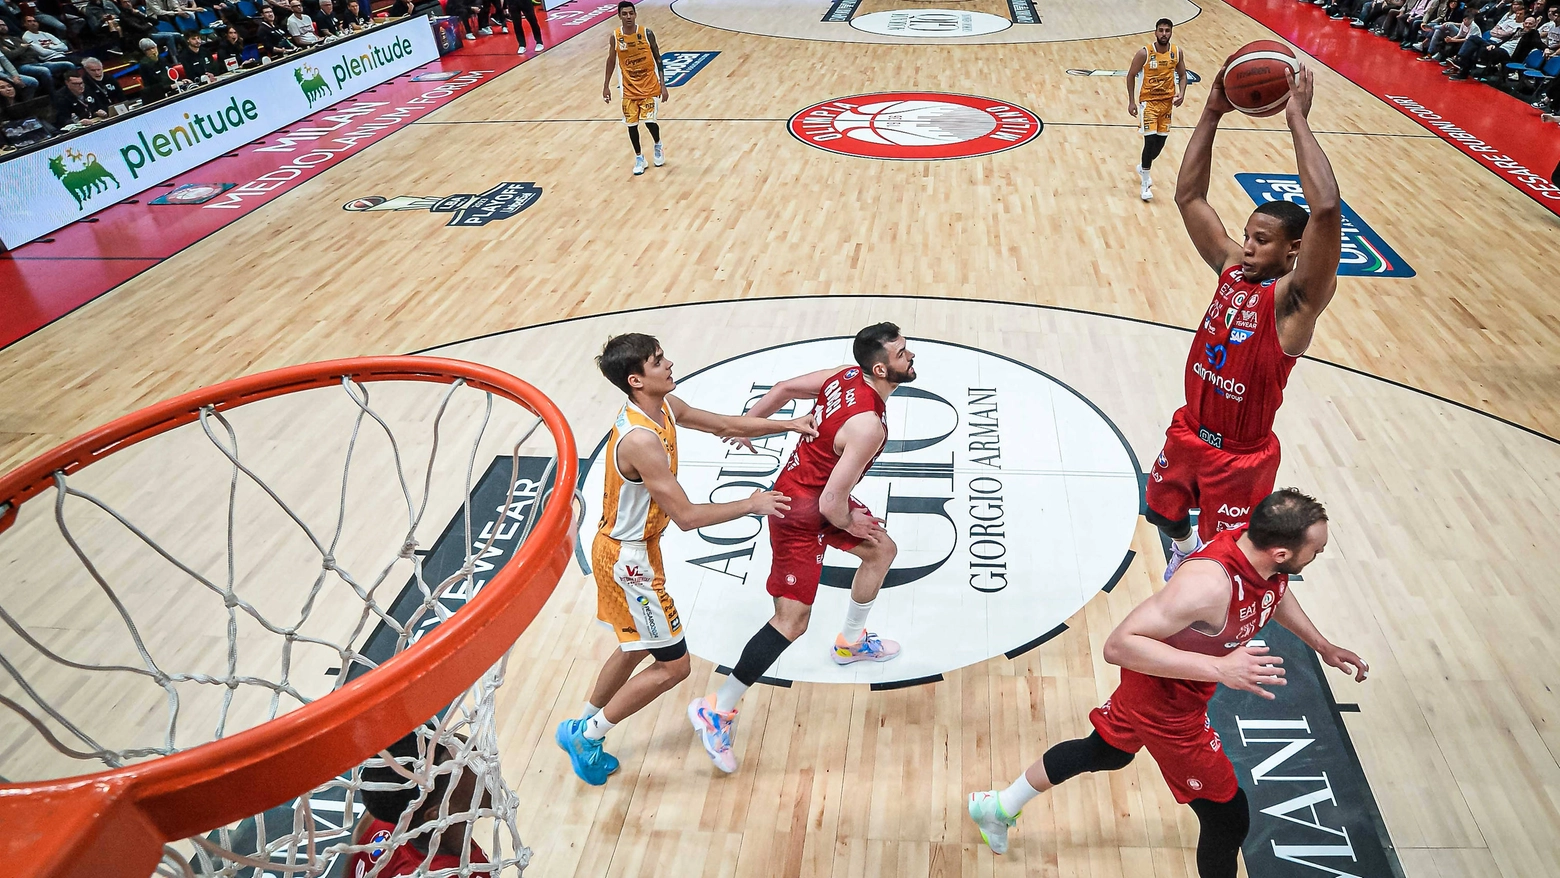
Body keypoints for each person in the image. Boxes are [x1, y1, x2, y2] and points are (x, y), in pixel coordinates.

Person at [966, 490, 1369, 873]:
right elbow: (1119, 646)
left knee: (1107, 752)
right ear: (1281, 552)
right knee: (1227, 817)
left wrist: (1322, 645)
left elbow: (1273, 593)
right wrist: (1220, 669)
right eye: (1316, 549)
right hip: (1167, 707)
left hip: (1167, 688)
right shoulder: (1206, 586)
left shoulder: (1261, 557)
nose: (1320, 553)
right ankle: (999, 805)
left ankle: (997, 806)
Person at [554, 333, 815, 786]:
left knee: (635, 644)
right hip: (629, 563)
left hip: (624, 548)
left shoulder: (666, 407)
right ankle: (589, 735)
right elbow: (689, 517)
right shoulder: (639, 440)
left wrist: (788, 426)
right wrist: (751, 504)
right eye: (659, 361)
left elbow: (724, 425)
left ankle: (580, 723)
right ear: (637, 380)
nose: (670, 363)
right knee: (674, 666)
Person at [687, 323, 913, 774]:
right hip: (799, 513)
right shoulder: (868, 425)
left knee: (880, 550)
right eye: (904, 353)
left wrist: (751, 421)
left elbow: (787, 387)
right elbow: (832, 503)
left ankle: (850, 642)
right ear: (881, 367)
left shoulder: (845, 376)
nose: (911, 357)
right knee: (792, 622)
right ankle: (718, 707)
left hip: (815, 495)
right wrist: (852, 520)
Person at [1145, 64, 1342, 577]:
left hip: (1240, 457)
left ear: (1293, 249)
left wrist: (1296, 117)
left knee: (1229, 559)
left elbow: (1325, 210)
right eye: (1248, 235)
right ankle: (1183, 549)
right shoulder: (1233, 271)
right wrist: (1211, 109)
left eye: (1261, 240)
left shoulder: (1294, 302)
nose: (1247, 247)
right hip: (1190, 430)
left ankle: (1227, 619)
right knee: (1161, 513)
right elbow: (1188, 197)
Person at [348, 729, 491, 876]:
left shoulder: (373, 824)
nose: (488, 762)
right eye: (474, 763)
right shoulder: (457, 873)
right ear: (440, 811)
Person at [601, 0, 667, 176]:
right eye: (625, 14)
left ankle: (658, 144)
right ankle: (639, 158)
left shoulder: (646, 33)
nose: (628, 16)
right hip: (628, 89)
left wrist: (663, 84)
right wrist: (606, 86)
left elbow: (658, 58)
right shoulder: (615, 36)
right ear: (619, 16)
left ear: (635, 14)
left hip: (649, 86)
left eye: (631, 13)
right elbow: (611, 61)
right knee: (632, 125)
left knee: (650, 122)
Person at [1126, 17, 1187, 202]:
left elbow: (1183, 75)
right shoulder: (1145, 53)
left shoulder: (1176, 52)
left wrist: (1182, 93)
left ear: (1171, 32)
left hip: (1167, 104)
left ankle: (1143, 166)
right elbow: (1130, 75)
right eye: (1160, 30)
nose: (1163, 34)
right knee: (1150, 141)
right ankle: (1145, 183)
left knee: (1159, 145)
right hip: (1148, 103)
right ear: (1155, 32)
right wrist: (1131, 101)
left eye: (1167, 30)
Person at [1, 19, 70, 94]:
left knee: (68, 64)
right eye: (0, 26)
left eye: (4, 25)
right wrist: (22, 48)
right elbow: (10, 56)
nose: (3, 27)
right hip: (21, 66)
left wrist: (17, 52)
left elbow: (32, 52)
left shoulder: (15, 38)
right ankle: (53, 95)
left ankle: (72, 91)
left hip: (34, 62)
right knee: (44, 71)